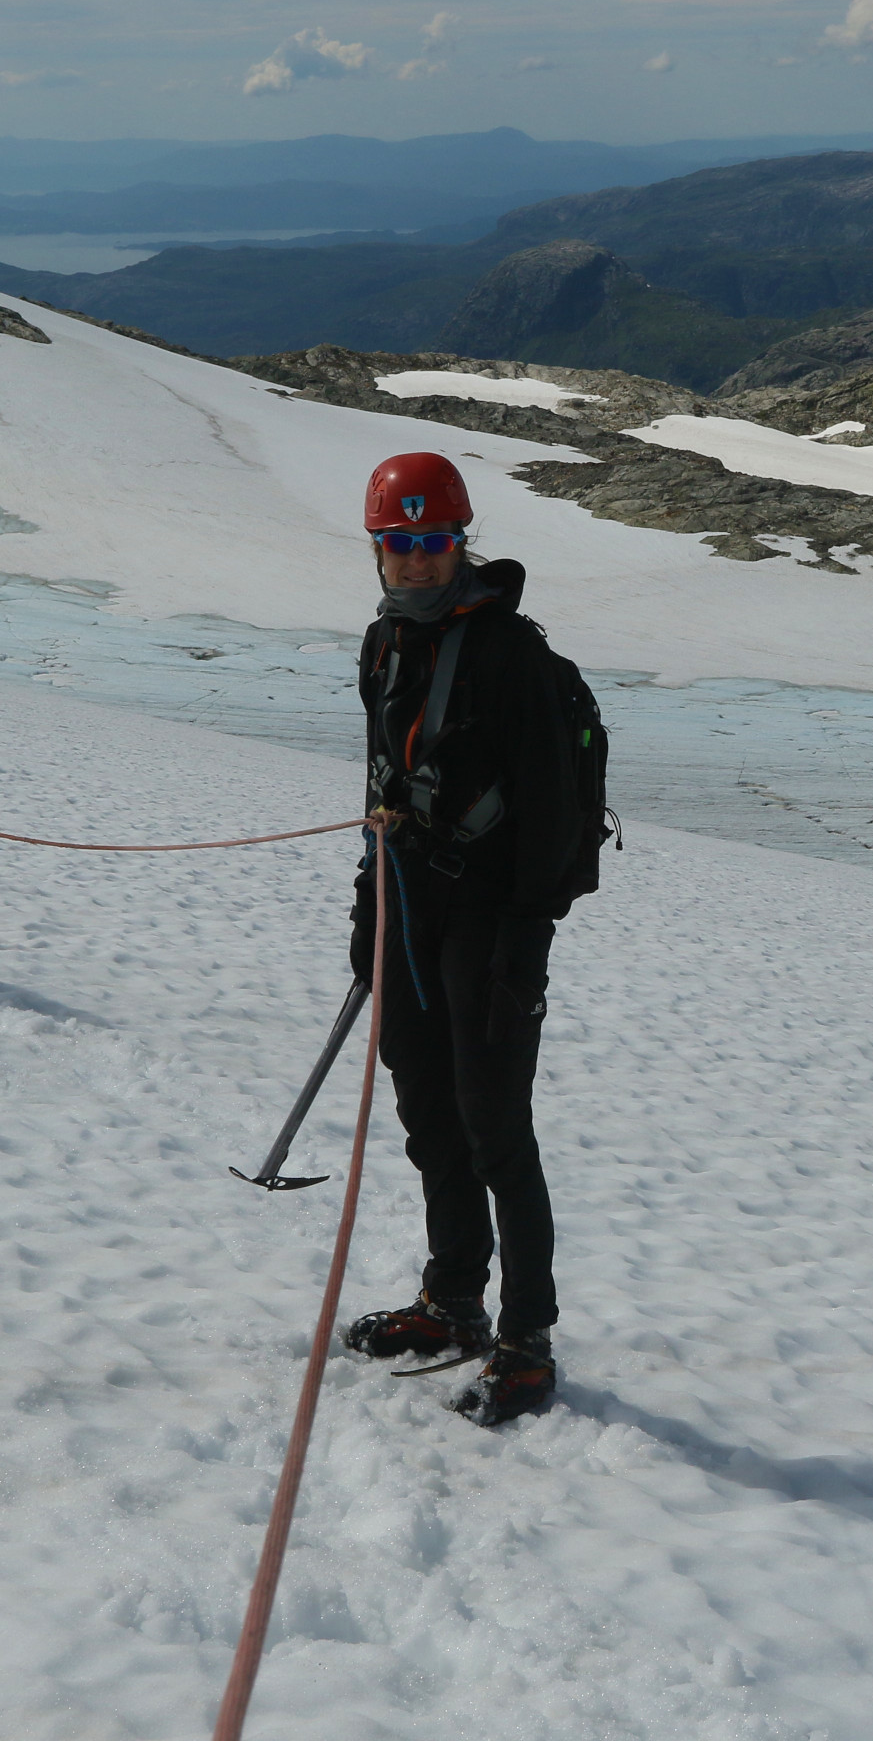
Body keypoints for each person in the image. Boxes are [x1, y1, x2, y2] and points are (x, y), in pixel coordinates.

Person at [341, 451, 595, 1427]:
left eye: (431, 542)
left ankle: (527, 1340)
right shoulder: (382, 645)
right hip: (412, 915)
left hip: (492, 925)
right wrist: (370, 922)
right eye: (397, 543)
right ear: (376, 549)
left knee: (495, 1128)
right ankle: (453, 1300)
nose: (414, 560)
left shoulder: (511, 655)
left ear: (461, 543)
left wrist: (522, 944)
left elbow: (554, 817)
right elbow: (379, 793)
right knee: (429, 1115)